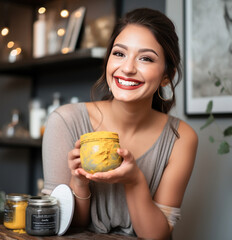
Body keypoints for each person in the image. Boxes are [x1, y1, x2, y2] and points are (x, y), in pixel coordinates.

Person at [42, 8, 198, 240]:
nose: (127, 68)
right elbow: (65, 227)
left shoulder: (180, 137)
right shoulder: (65, 121)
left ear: (167, 75)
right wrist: (79, 182)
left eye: (146, 58)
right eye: (119, 54)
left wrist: (134, 180)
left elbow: (157, 236)